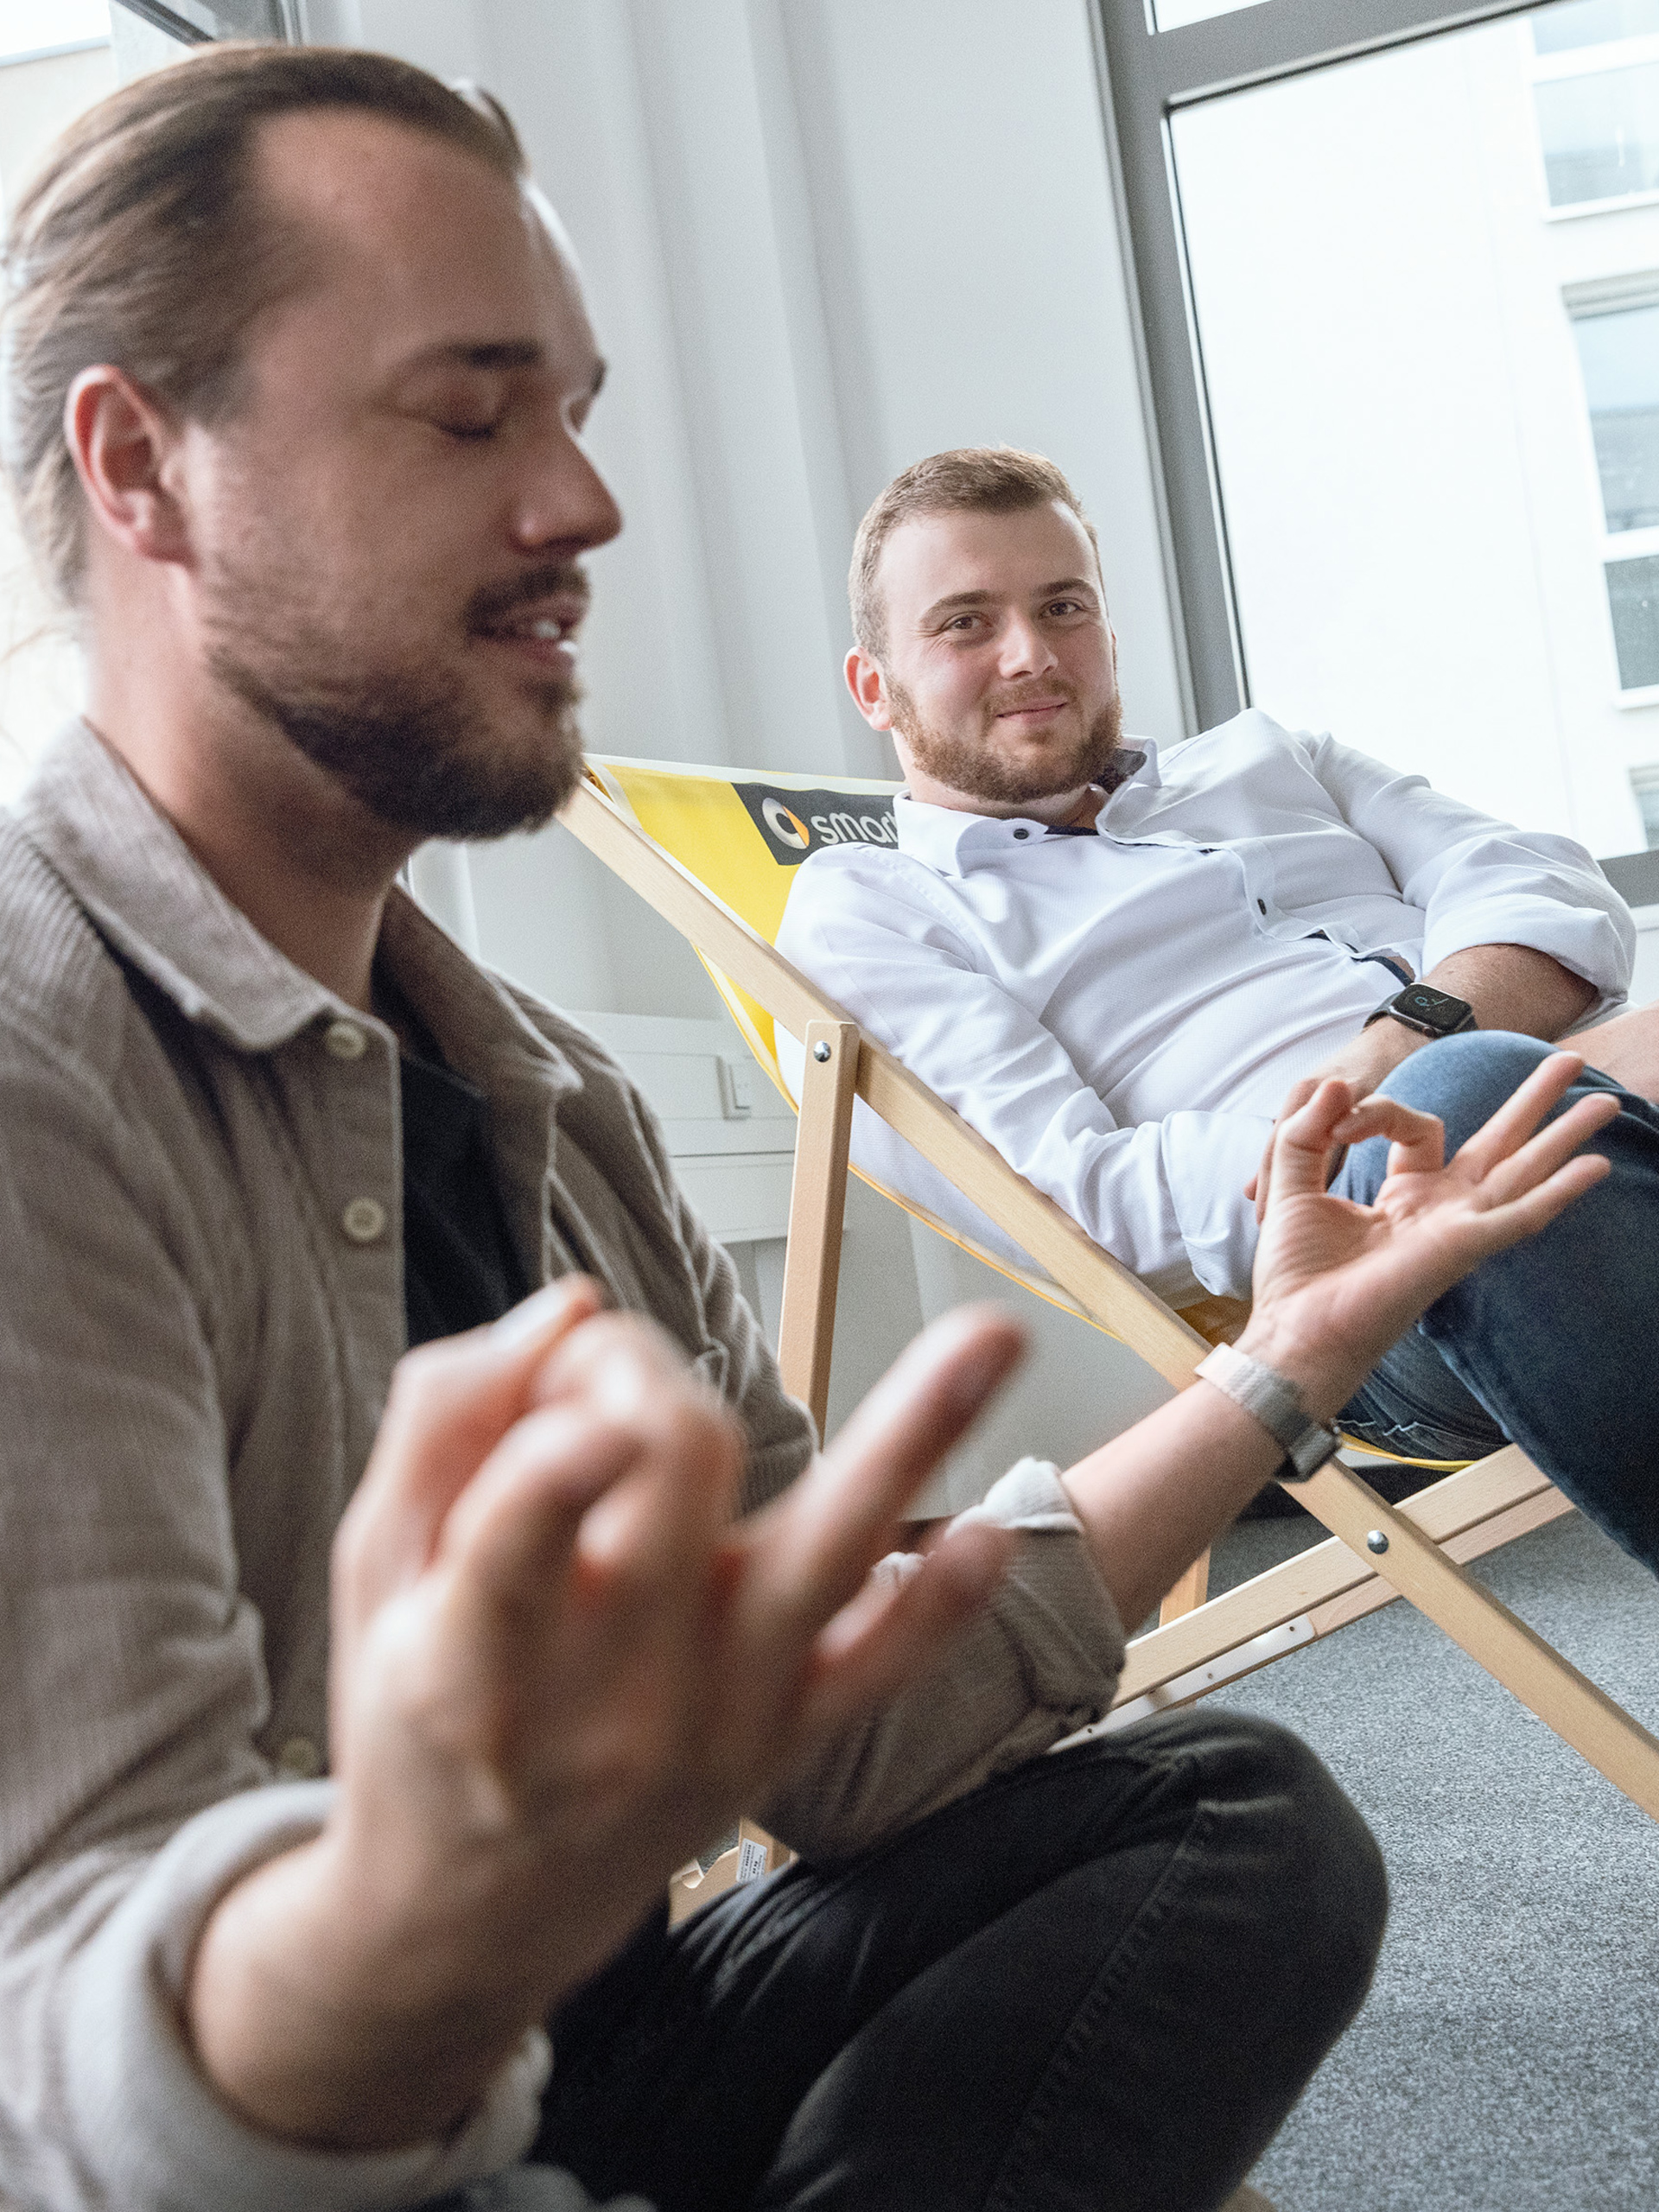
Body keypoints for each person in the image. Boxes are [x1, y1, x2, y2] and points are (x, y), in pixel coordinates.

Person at [0, 48, 1620, 2212]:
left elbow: (840, 1746)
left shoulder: (548, 1106)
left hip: (597, 2029)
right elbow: (54, 2059)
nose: (583, 505)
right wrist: (411, 1901)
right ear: (145, 470)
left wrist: (1281, 1363)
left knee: (1236, 1820)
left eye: (574, 414)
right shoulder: (39, 1082)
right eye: (473, 412)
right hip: (311, 2133)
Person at [777, 446, 1659, 1555]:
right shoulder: (872, 913)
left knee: (1472, 1077)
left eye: (1064, 606)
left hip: (1591, 1099)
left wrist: (1402, 1047)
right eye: (964, 623)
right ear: (875, 687)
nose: (1031, 654)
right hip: (1374, 1278)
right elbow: (1069, 1200)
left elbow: (1547, 886)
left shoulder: (1272, 755)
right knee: (1466, 1090)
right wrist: (1386, 1120)